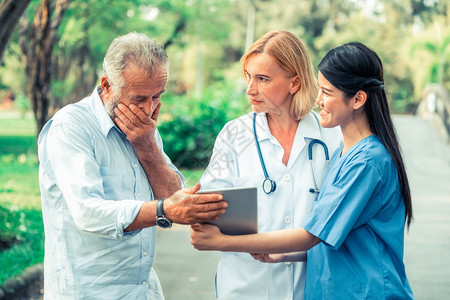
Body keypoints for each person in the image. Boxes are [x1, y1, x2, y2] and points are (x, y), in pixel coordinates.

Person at [191, 42, 415, 299]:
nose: (318, 100)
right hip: (268, 286)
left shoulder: (362, 160)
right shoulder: (345, 153)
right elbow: (335, 236)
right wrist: (288, 255)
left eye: (327, 92)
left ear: (358, 98)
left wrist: (223, 242)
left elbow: (312, 235)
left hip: (364, 291)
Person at [38, 32, 227, 299]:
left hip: (142, 290)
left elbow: (174, 194)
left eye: (157, 96)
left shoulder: (144, 130)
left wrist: (148, 147)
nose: (149, 109)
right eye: (139, 98)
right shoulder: (71, 127)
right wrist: (163, 210)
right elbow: (87, 212)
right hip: (87, 292)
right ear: (107, 85)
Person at [198, 31, 342, 299]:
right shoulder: (234, 135)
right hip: (245, 288)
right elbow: (207, 213)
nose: (250, 89)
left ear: (294, 83)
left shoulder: (332, 138)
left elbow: (339, 228)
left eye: (263, 79)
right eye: (249, 77)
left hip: (309, 288)